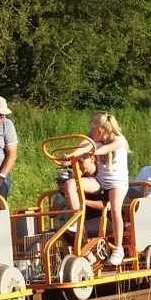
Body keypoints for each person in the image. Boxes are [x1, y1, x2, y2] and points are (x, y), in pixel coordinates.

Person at [57, 113, 131, 264]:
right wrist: (70, 156)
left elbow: (106, 149)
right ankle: (78, 222)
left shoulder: (118, 140)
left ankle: (118, 248)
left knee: (116, 209)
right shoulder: (93, 138)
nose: (91, 131)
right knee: (70, 184)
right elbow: (82, 146)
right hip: (100, 181)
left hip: (117, 182)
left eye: (94, 128)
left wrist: (93, 151)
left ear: (103, 129)